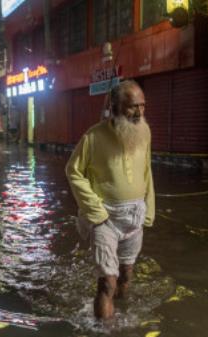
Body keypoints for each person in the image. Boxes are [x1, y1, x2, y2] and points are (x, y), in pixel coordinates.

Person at [65, 80, 155, 320]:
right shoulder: (93, 137)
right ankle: (104, 330)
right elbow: (73, 171)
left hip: (135, 215)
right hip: (105, 218)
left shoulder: (144, 132)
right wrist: (96, 211)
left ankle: (121, 316)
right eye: (132, 107)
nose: (140, 112)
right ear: (114, 106)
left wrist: (149, 209)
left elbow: (147, 172)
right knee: (107, 283)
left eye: (143, 106)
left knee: (126, 274)